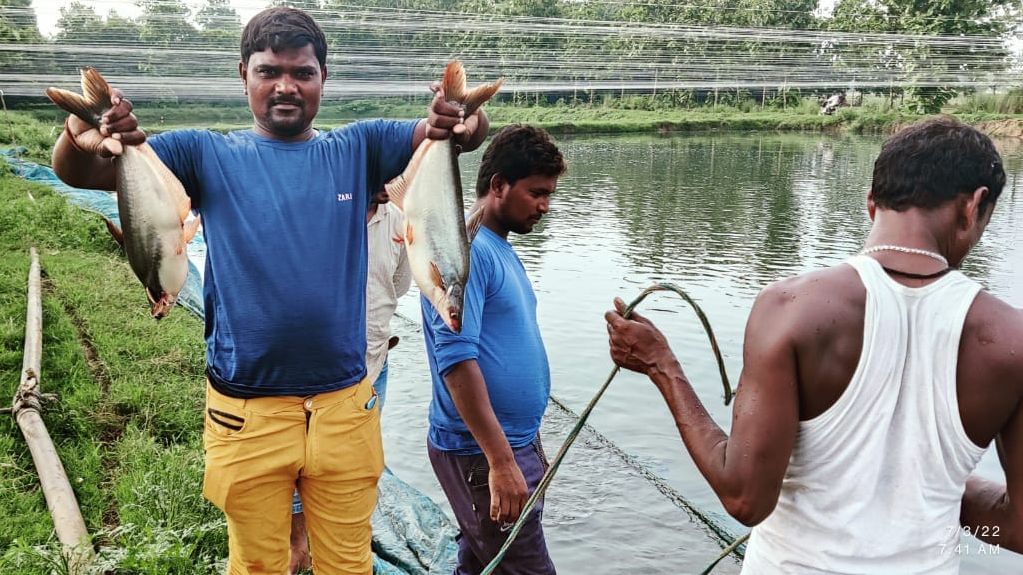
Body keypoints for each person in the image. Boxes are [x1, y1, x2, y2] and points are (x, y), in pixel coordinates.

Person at [51, 7, 488, 574]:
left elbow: (447, 137)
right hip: (245, 415)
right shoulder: (201, 153)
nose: (286, 85)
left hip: (346, 409)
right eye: (269, 71)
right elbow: (82, 175)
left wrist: (461, 123)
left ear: (323, 79)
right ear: (243, 75)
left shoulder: (359, 148)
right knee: (258, 565)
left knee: (349, 565)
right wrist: (79, 138)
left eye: (303, 72)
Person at [605, 116, 1023, 573]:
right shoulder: (1012, 339)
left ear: (871, 203)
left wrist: (662, 365)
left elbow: (745, 498)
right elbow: (1016, 527)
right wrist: (921, 486)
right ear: (974, 206)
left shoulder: (791, 307)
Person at [422, 124, 566, 575]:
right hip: (480, 453)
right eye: (537, 193)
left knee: (479, 563)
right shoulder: (465, 251)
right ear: (499, 185)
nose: (545, 206)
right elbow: (456, 359)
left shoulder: (497, 246)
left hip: (507, 444)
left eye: (550, 194)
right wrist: (500, 461)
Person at [289, 186, 412, 572]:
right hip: (313, 373)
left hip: (373, 365)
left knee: (354, 467)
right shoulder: (319, 213)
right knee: (298, 463)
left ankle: (339, 544)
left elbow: (400, 284)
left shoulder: (399, 222)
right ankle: (297, 544)